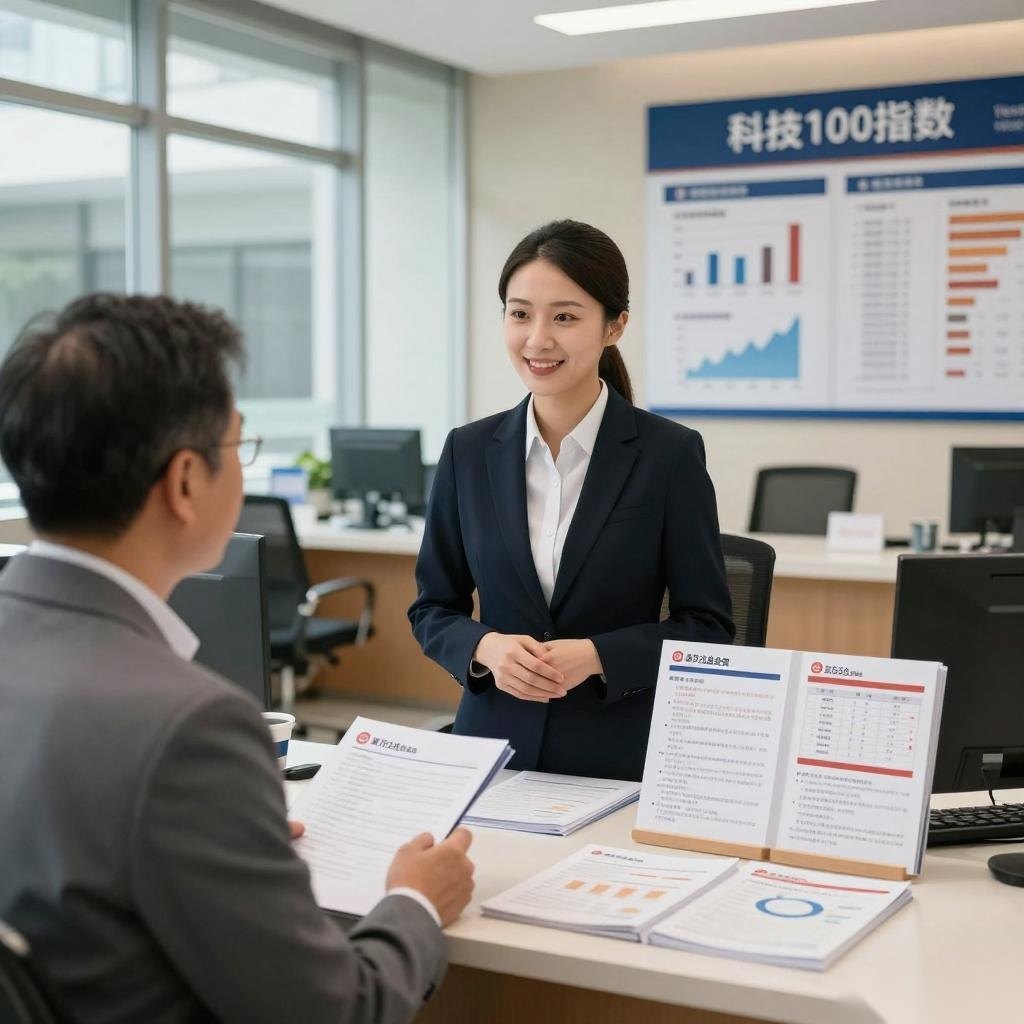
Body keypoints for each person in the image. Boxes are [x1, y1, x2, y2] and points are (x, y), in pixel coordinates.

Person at [0, 294, 474, 1024]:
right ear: (186, 482)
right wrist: (413, 899)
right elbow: (340, 1012)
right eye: (238, 448)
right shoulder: (190, 728)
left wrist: (223, 832)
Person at [409, 220, 734, 781]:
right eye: (519, 313)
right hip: (492, 750)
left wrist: (596, 656)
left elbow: (708, 626)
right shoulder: (468, 451)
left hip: (618, 756)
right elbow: (432, 608)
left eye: (565, 316)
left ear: (615, 326)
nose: (538, 339)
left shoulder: (669, 455)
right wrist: (485, 647)